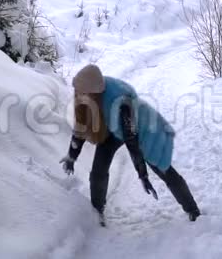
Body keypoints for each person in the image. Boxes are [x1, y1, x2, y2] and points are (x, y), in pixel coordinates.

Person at [59, 64, 201, 222]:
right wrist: (72, 156)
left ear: (94, 92)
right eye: (77, 91)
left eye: (82, 92)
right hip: (112, 131)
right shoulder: (87, 93)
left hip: (141, 130)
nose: (78, 95)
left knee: (162, 167)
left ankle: (193, 210)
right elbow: (81, 128)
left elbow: (132, 141)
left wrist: (143, 174)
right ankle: (96, 212)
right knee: (98, 170)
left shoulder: (121, 104)